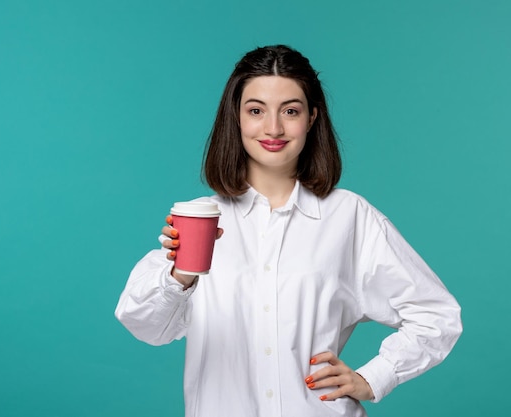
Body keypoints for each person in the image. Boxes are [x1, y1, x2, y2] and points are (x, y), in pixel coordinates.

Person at [115, 44, 462, 417]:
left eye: (291, 111)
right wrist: (180, 273)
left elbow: (436, 314)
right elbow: (146, 326)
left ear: (312, 118)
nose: (274, 128)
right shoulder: (201, 219)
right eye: (256, 110)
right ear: (236, 118)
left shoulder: (348, 217)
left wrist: (374, 377)